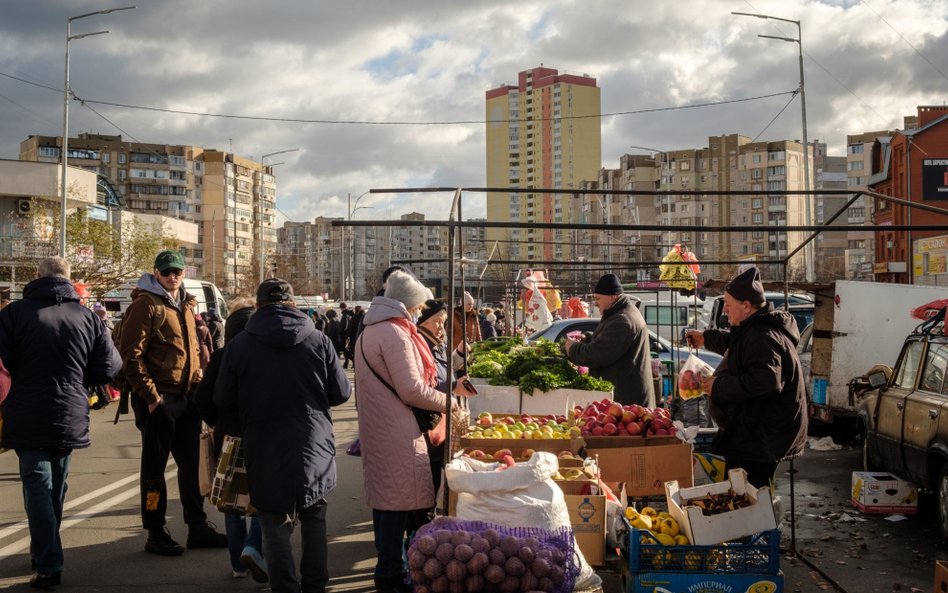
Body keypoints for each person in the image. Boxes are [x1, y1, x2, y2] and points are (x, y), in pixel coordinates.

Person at [214, 279, 351, 593]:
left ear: (258, 306)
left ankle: (285, 588)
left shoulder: (239, 345)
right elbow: (341, 392)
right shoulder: (318, 340)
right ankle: (316, 586)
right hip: (313, 444)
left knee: (274, 523)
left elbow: (223, 398)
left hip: (264, 444)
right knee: (314, 516)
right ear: (293, 304)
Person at [0, 257, 122, 589]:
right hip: (69, 411)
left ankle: (48, 561)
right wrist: (80, 381)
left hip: (26, 410)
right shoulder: (87, 317)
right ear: (68, 279)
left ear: (37, 276)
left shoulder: (13, 314)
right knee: (55, 484)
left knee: (38, 486)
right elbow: (110, 367)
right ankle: (46, 553)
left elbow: (2, 361)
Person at [355, 271, 474, 593]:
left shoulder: (371, 330)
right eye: (418, 307)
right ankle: (391, 574)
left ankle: (389, 569)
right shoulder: (395, 334)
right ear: (406, 305)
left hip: (380, 427)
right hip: (396, 430)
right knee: (397, 504)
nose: (420, 312)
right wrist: (448, 401)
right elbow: (411, 390)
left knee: (385, 502)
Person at [120, 249, 227, 556]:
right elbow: (131, 357)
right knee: (154, 471)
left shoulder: (186, 303)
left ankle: (197, 526)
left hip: (188, 398)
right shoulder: (146, 305)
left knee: (193, 467)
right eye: (166, 272)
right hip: (160, 401)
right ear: (156, 273)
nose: (171, 276)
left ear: (184, 274)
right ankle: (155, 531)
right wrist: (152, 398)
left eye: (176, 272)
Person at [684, 266, 808, 489]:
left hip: (761, 438)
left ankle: (753, 524)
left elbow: (766, 381)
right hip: (754, 433)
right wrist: (707, 339)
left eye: (729, 305)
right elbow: (738, 345)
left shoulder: (763, 337)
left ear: (747, 306)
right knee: (741, 494)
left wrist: (718, 386)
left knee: (748, 498)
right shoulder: (753, 329)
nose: (725, 311)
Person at [196, 298, 268, 581]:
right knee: (263, 497)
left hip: (228, 436)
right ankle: (253, 546)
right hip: (261, 434)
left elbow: (203, 399)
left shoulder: (222, 355)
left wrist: (218, 423)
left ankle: (238, 564)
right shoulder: (265, 353)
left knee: (231, 500)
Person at [564, 273, 656, 407]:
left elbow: (598, 354)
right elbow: (607, 340)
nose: (595, 303)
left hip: (627, 404)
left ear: (613, 297)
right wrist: (587, 338)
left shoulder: (623, 320)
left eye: (598, 298)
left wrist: (572, 348)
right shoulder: (619, 312)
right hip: (625, 399)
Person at [415, 299, 469, 499]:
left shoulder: (437, 343)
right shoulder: (420, 346)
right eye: (437, 322)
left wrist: (460, 354)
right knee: (428, 474)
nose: (441, 327)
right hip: (428, 421)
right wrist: (454, 386)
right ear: (423, 322)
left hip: (441, 417)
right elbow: (423, 386)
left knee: (437, 470)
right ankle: (420, 521)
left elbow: (445, 370)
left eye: (443, 322)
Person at [339, 303, 354, 368]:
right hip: (348, 334)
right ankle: (347, 363)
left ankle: (352, 360)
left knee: (345, 349)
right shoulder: (349, 314)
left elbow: (344, 326)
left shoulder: (345, 314)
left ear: (342, 308)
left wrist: (340, 331)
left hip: (344, 335)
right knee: (346, 349)